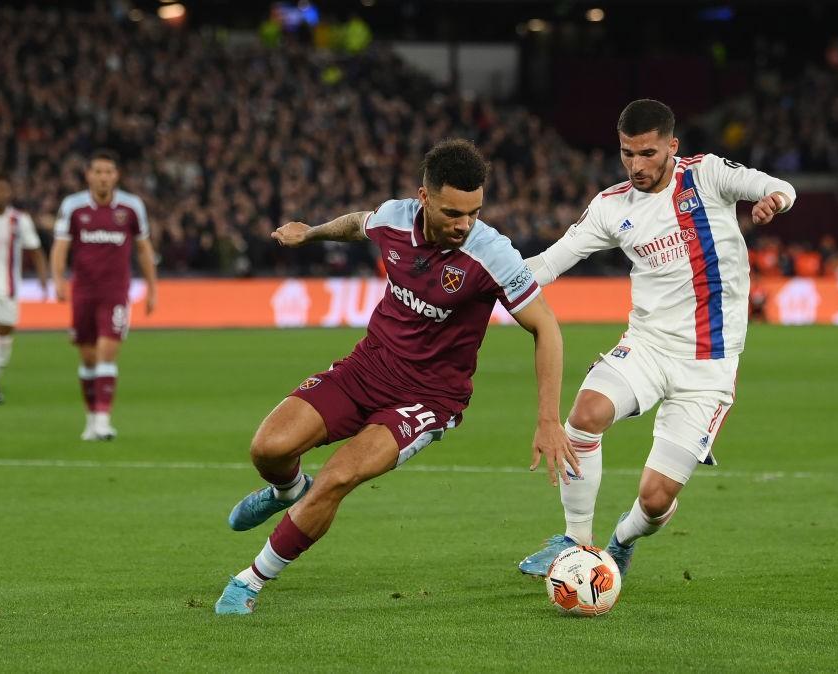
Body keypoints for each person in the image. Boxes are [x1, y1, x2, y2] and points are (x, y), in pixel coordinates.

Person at [215, 139, 576, 615]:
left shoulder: (493, 254)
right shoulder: (394, 218)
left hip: (428, 398)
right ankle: (287, 491)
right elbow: (354, 224)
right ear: (423, 199)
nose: (464, 225)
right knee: (269, 448)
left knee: (338, 476)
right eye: (453, 213)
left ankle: (251, 580)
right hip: (367, 367)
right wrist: (312, 234)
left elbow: (546, 327)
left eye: (474, 212)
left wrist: (548, 418)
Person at [517, 99, 796, 578]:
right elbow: (548, 263)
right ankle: (576, 545)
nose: (636, 165)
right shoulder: (611, 206)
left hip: (709, 366)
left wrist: (776, 200)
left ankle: (622, 541)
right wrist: (489, 280)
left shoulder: (707, 176)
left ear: (672, 146)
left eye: (647, 153)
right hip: (647, 346)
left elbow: (775, 185)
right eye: (627, 153)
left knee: (655, 498)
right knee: (586, 413)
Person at [50, 149, 158, 440]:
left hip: (115, 293)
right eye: (97, 172)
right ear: (88, 175)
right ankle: (90, 420)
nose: (103, 177)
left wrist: (152, 288)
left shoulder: (131, 207)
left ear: (116, 176)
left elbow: (144, 248)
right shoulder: (73, 206)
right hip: (83, 292)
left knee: (107, 353)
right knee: (87, 359)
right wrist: (58, 279)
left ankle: (102, 420)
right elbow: (60, 246)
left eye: (108, 172)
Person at [0, 173, 48, 404]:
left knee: (5, 332)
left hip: (9, 286)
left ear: (10, 193)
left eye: (3, 189)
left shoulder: (20, 220)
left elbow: (35, 249)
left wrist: (43, 276)